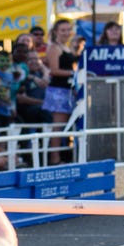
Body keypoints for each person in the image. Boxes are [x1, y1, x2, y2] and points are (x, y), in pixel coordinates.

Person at [43, 19, 81, 162]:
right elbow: (54, 70)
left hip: (67, 90)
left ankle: (59, 155)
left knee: (64, 125)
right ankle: (54, 157)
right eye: (63, 30)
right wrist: (74, 74)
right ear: (56, 32)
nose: (66, 33)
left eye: (67, 30)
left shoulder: (67, 47)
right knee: (58, 126)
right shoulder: (54, 47)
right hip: (58, 91)